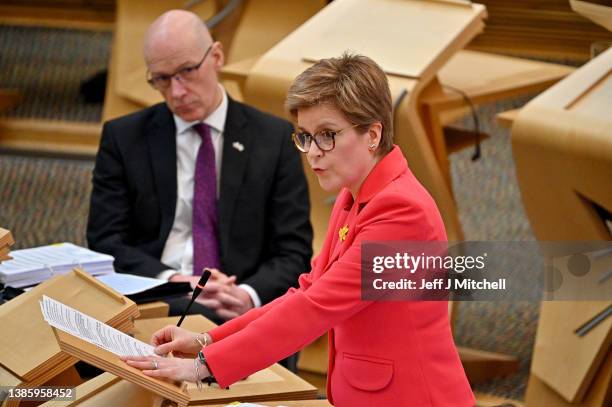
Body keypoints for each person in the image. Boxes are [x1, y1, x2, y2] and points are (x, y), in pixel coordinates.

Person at [123, 54, 475, 406]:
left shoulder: (402, 212)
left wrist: (203, 367)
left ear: (372, 134)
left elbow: (315, 308)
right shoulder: (354, 194)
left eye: (327, 136)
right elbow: (307, 291)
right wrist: (208, 341)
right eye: (305, 136)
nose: (312, 153)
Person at [86, 10, 312, 322]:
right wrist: (171, 282)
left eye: (187, 71)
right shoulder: (124, 137)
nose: (177, 92)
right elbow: (105, 241)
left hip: (237, 307)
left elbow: (293, 251)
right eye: (162, 79)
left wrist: (248, 295)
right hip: (157, 299)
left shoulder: (271, 139)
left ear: (217, 56)